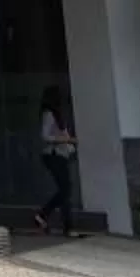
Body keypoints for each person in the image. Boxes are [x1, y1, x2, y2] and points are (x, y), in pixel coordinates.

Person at [33, 85, 81, 238]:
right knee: (65, 190)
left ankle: (52, 220)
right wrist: (67, 139)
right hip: (54, 155)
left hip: (60, 156)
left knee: (65, 190)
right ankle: (48, 217)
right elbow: (45, 136)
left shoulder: (56, 115)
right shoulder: (49, 114)